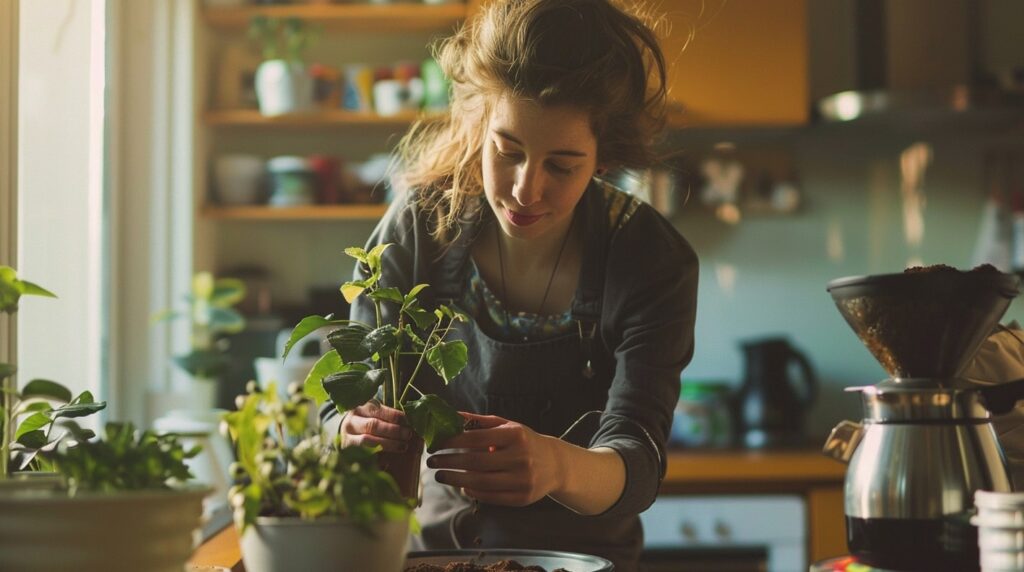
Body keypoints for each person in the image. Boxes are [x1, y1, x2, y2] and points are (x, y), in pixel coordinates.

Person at [323, 0, 698, 568]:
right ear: (479, 125)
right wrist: (349, 433)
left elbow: (639, 460)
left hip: (584, 561)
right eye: (508, 151)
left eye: (562, 165)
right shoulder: (420, 230)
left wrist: (557, 466)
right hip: (435, 557)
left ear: (603, 158)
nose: (526, 189)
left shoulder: (650, 259)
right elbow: (341, 407)